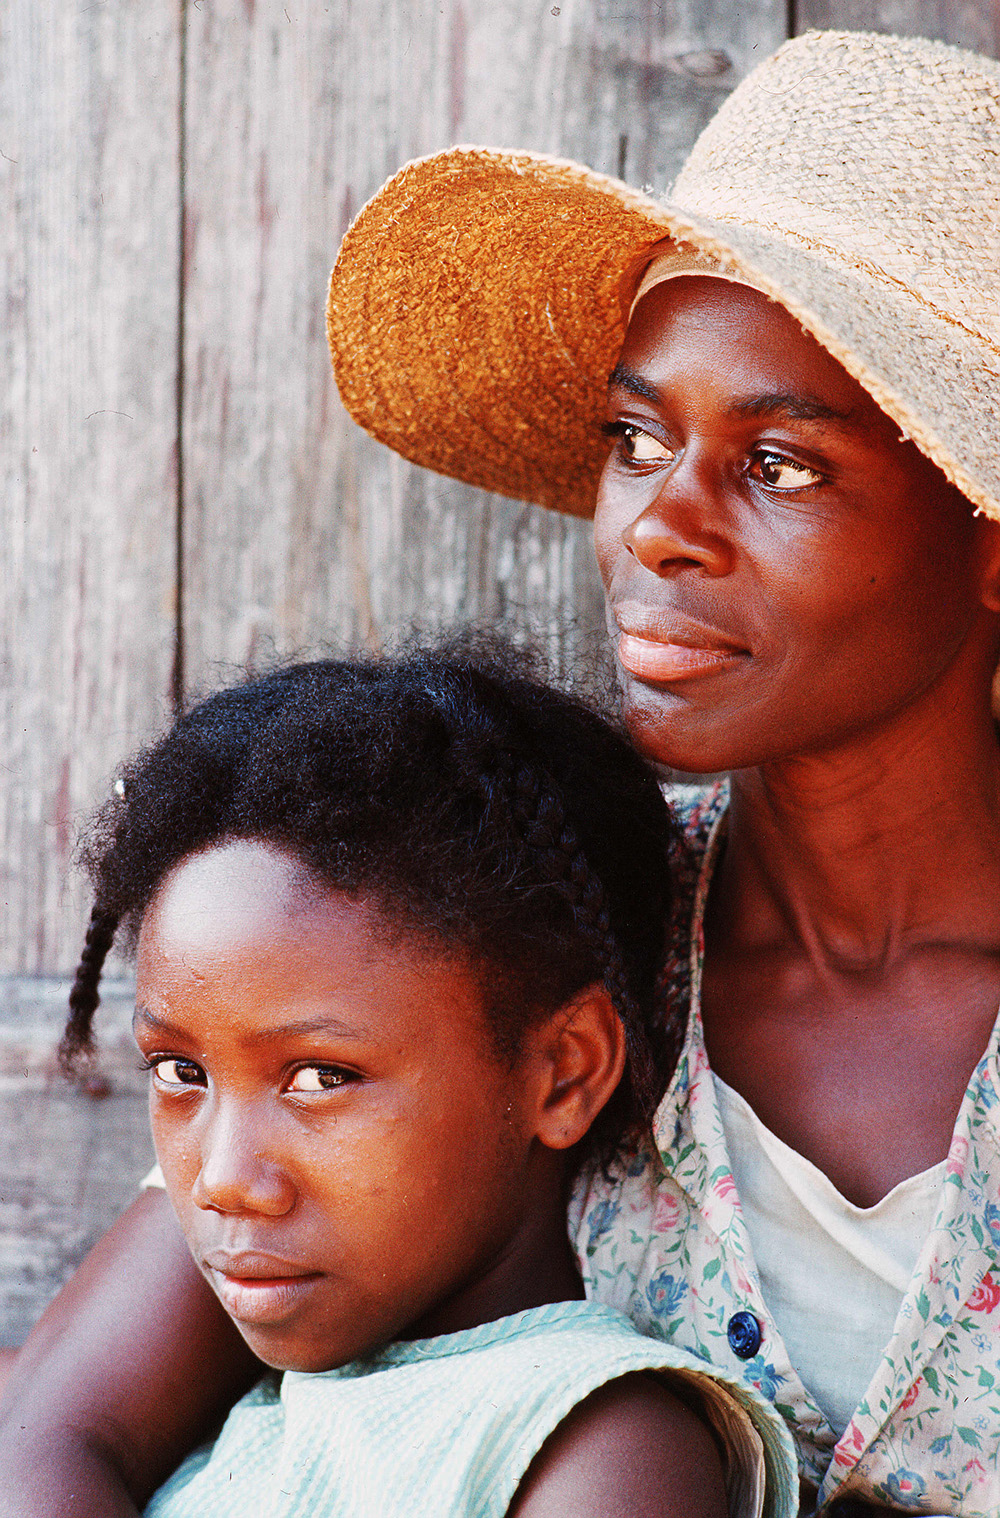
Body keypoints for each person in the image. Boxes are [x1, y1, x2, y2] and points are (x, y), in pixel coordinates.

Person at [1, 24, 997, 1518]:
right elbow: (52, 1436)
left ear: (986, 537)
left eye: (779, 462)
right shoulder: (517, 911)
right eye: (635, 436)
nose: (658, 526)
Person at [53, 642, 794, 1517]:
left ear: (563, 1074)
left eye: (321, 1078)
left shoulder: (599, 1447)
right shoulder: (275, 1399)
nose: (222, 1180)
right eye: (181, 1071)